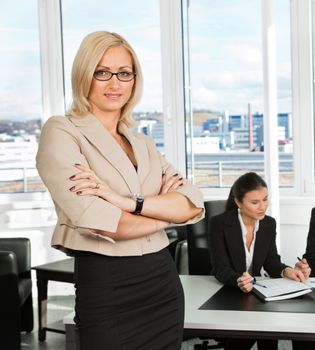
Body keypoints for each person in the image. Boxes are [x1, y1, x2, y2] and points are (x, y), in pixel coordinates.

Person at [36, 31, 204, 350]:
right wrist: (164, 218)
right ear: (84, 75)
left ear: (134, 80)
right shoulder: (62, 131)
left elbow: (193, 204)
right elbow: (105, 222)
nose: (115, 83)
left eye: (124, 73)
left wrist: (127, 202)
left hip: (161, 282)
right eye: (102, 72)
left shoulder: (141, 142)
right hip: (109, 284)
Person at [209, 172, 315, 350]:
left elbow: (272, 263)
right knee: (246, 337)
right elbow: (220, 267)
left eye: (265, 199)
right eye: (255, 202)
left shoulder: (268, 224)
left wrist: (288, 271)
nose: (263, 207)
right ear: (238, 202)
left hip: (257, 292)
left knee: (275, 328)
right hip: (229, 291)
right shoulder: (219, 223)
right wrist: (238, 280)